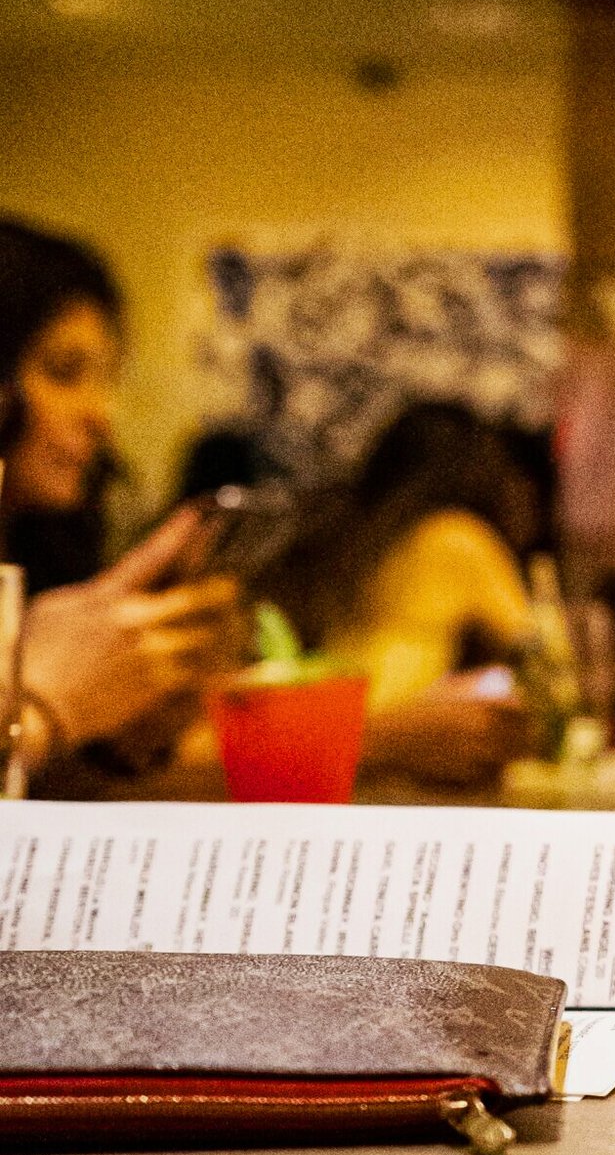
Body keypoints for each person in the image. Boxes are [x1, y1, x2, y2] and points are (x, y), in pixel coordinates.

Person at [0, 217, 239, 781]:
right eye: (64, 372)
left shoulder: (41, 552)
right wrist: (39, 705)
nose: (100, 414)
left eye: (105, 378)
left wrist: (122, 728)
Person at [264, 400, 538, 786]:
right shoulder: (459, 535)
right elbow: (537, 648)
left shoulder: (352, 532)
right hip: (407, 720)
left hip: (332, 716)